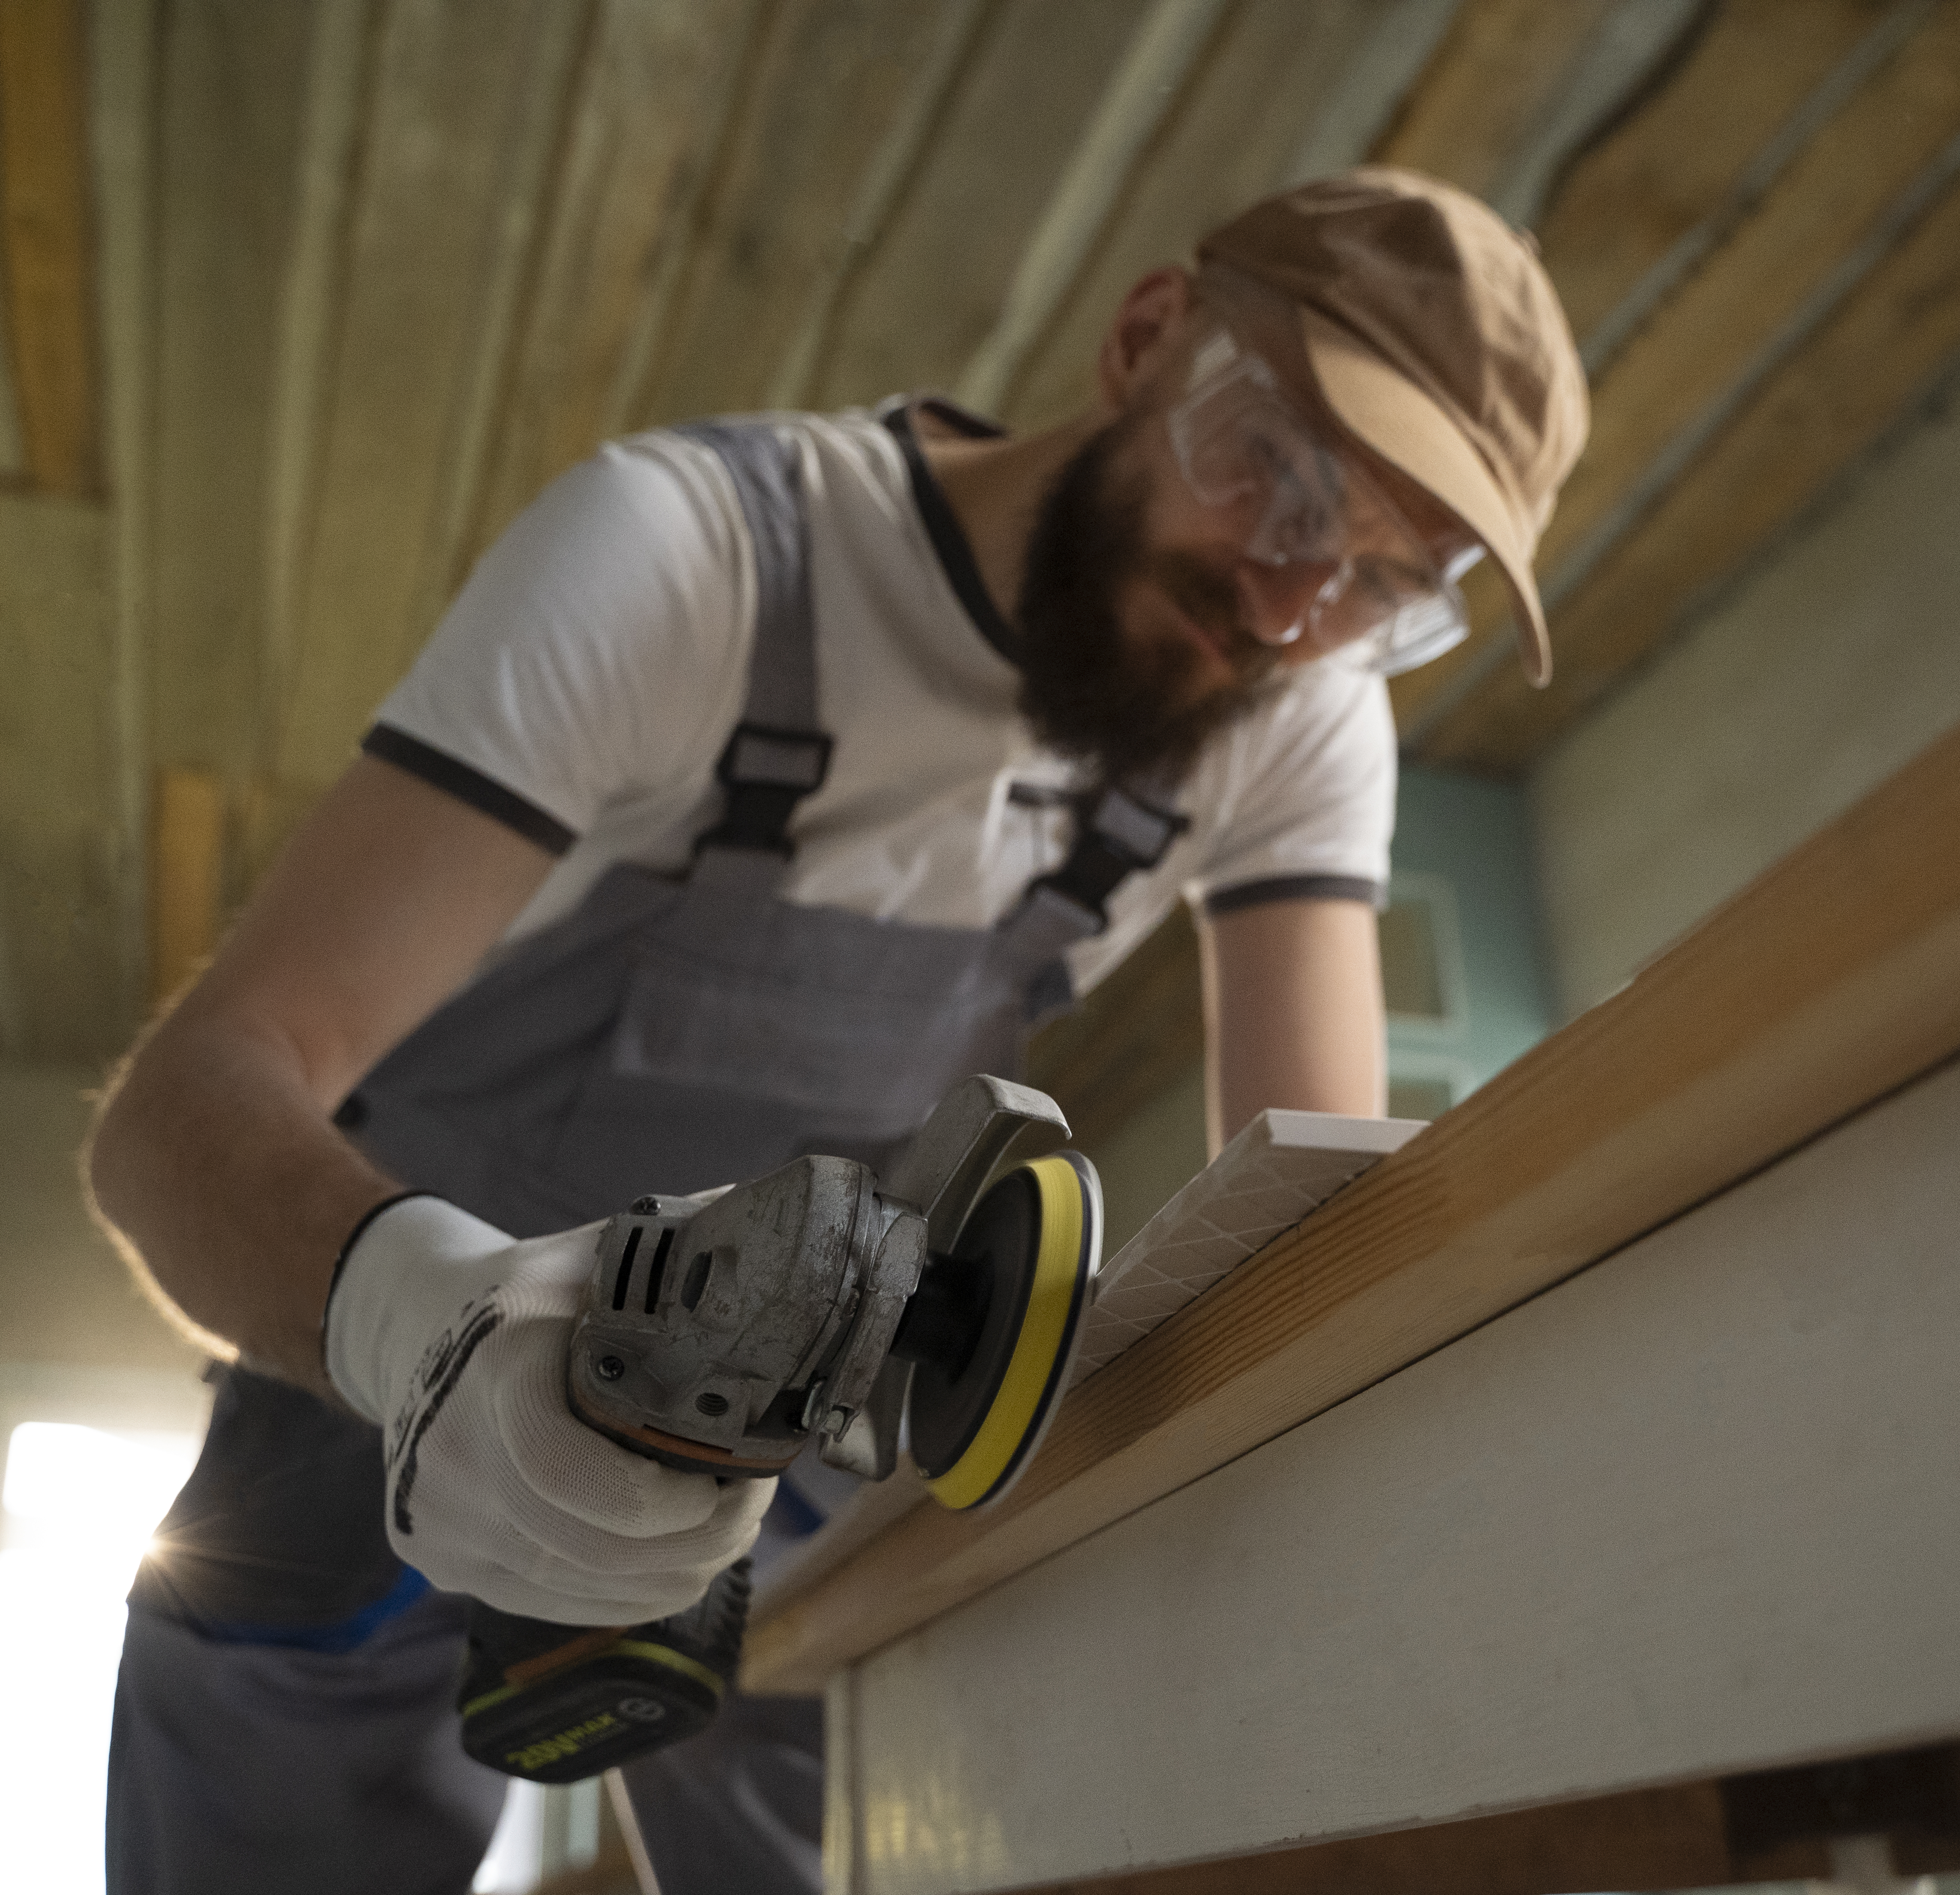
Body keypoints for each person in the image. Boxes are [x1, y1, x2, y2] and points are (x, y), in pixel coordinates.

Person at [82, 166, 1586, 1895]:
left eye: (1387, 580)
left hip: (781, 1420)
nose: (1284, 601)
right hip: (369, 1367)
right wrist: (429, 1339)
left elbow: (1307, 1234)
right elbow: (186, 1105)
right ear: (1145, 338)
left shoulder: (1292, 714)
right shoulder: (697, 558)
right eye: (1272, 472)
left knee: (879, 1813)